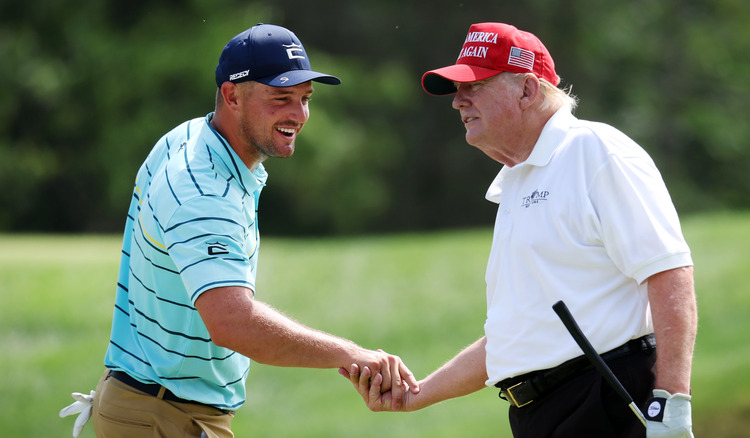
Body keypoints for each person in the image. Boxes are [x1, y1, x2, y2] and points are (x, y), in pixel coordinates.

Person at [59, 23, 418, 438]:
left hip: (156, 406)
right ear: (232, 95)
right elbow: (233, 322)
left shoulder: (196, 137)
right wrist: (354, 355)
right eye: (281, 98)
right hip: (160, 415)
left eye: (305, 99)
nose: (299, 115)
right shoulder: (202, 188)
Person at [343, 22, 696, 438]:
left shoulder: (594, 151)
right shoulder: (516, 180)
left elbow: (669, 274)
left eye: (474, 86)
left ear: (527, 91)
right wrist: (416, 394)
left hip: (606, 396)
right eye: (458, 90)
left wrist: (672, 403)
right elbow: (511, 338)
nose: (458, 102)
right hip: (540, 414)